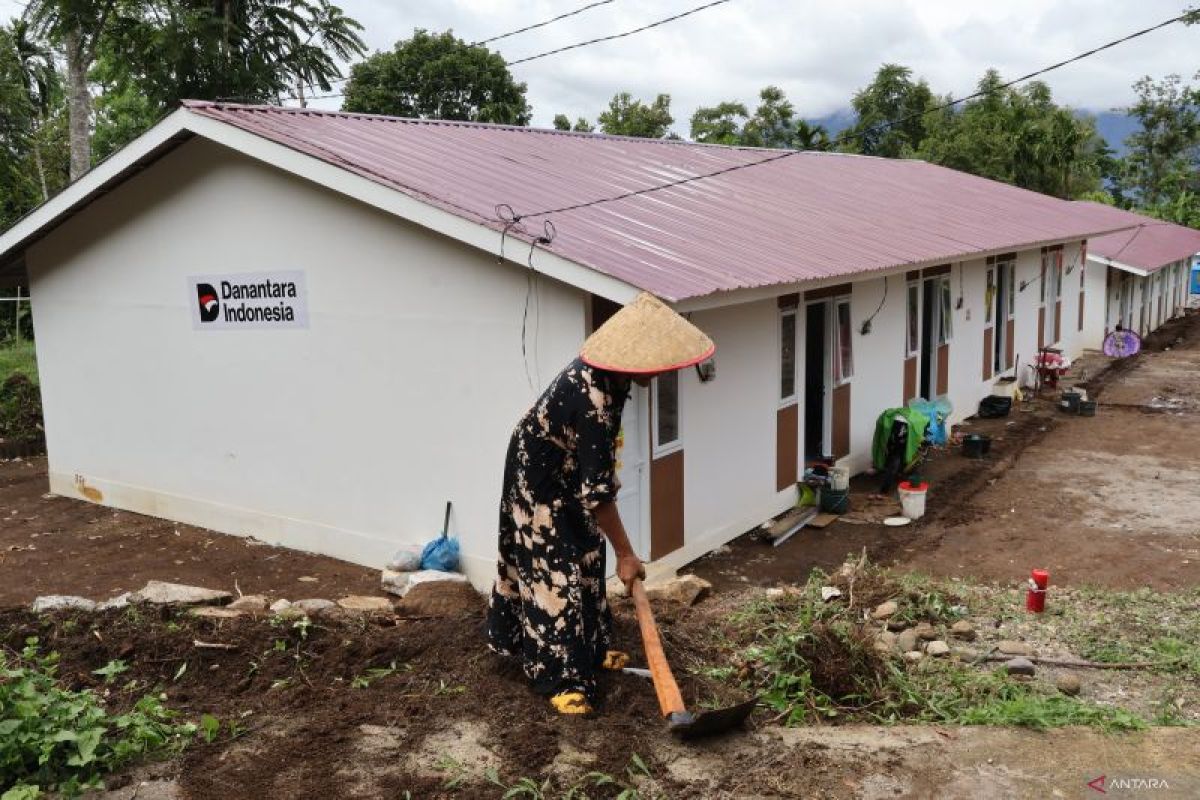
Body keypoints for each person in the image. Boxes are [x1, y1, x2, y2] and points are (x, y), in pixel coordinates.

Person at [487, 292, 715, 715]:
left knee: (590, 553)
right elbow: (597, 493)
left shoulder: (614, 381)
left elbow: (597, 478)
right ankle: (559, 676)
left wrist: (616, 547)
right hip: (536, 480)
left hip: (567, 470)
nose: (663, 372)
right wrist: (628, 554)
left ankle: (590, 652)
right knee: (554, 570)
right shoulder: (593, 397)